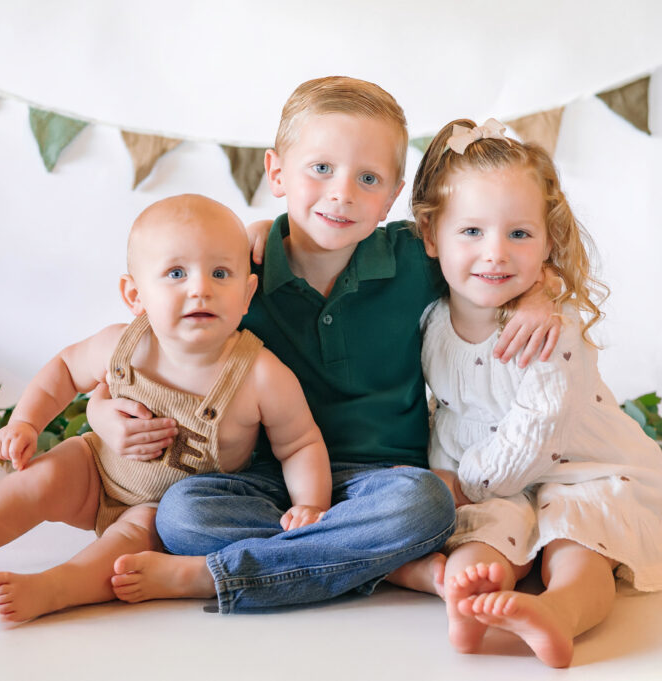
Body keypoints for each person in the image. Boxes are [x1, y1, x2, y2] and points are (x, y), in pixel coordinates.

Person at [87, 77, 562, 613]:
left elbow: (492, 260)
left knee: (427, 506)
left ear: (392, 195)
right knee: (181, 515)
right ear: (276, 173)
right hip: (271, 480)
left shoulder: (416, 257)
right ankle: (387, 563)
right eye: (321, 169)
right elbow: (149, 346)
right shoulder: (240, 270)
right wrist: (102, 410)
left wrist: (540, 295)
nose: (343, 193)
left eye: (368, 177)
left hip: (384, 480)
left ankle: (218, 577)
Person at [0, 194, 332, 622]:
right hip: (95, 468)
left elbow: (299, 443)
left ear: (247, 293)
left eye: (220, 273)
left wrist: (310, 503)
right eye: (176, 273)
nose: (200, 289)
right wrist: (26, 422)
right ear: (135, 295)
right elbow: (65, 369)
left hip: (161, 509)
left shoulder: (259, 374)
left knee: (124, 549)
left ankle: (59, 587)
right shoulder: (123, 343)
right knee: (31, 483)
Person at [397, 118, 662, 667]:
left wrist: (461, 483)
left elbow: (538, 433)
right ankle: (469, 597)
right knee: (483, 534)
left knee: (577, 537)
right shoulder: (430, 321)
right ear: (429, 235)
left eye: (519, 234)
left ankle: (560, 610)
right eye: (471, 232)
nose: (496, 254)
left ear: (546, 241)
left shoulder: (552, 330)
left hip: (579, 467)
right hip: (488, 479)